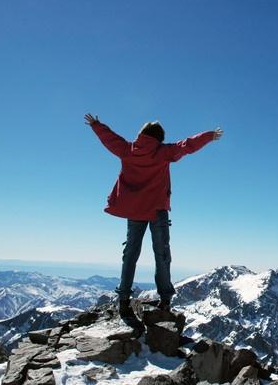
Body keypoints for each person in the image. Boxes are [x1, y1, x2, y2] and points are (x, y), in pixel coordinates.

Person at [85, 113, 223, 318]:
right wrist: (209, 136)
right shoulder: (163, 152)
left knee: (130, 253)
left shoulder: (128, 150)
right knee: (162, 254)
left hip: (135, 210)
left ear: (141, 134)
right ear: (159, 138)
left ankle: (123, 299)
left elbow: (110, 138)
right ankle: (165, 300)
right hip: (157, 210)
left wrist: (96, 125)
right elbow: (187, 145)